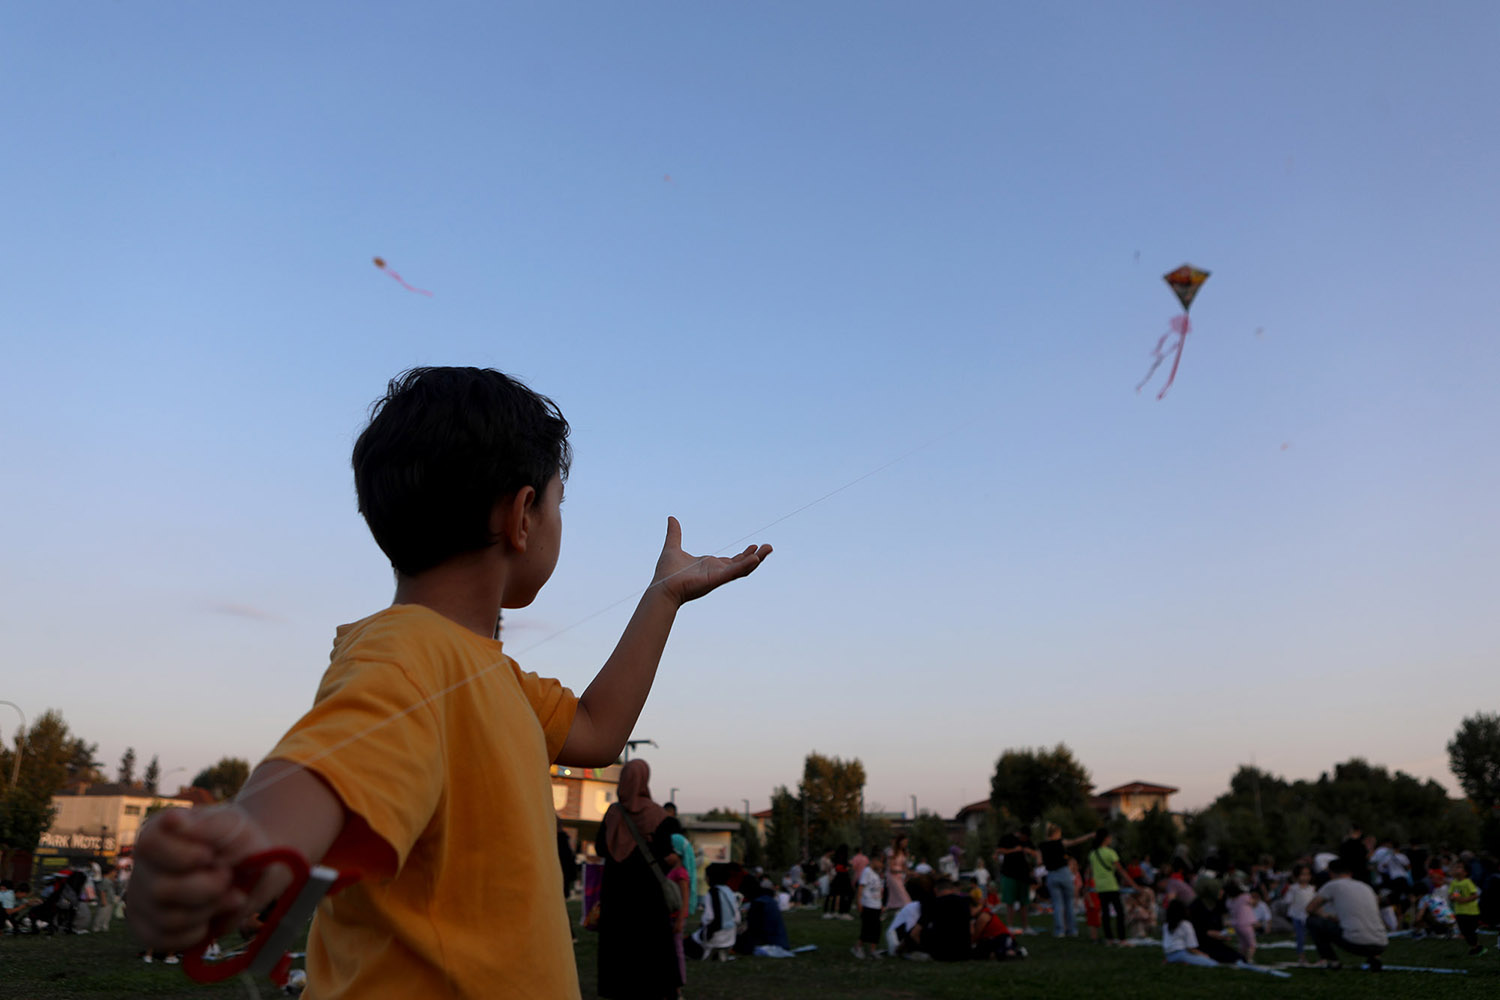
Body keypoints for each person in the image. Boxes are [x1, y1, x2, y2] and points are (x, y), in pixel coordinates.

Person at [125, 367, 771, 1000]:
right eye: (557, 504)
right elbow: (325, 767)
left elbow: (600, 730)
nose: (556, 520)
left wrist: (664, 597)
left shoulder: (491, 675)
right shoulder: (408, 653)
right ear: (522, 515)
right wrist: (245, 847)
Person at [599, 760, 687, 999]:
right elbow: (666, 854)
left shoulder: (613, 814)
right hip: (649, 895)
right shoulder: (659, 816)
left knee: (618, 947)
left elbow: (600, 848)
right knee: (652, 947)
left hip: (616, 894)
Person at [1306, 860, 1387, 970]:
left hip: (1356, 943)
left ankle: (1332, 960)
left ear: (1330, 873)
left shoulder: (1333, 885)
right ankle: (1374, 958)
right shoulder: (1365, 886)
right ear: (1350, 873)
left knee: (1313, 921)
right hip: (1381, 943)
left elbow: (1310, 908)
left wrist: (1327, 916)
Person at [1038, 823, 1090, 937]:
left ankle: (1059, 930)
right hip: (1064, 873)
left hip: (1051, 874)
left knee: (1057, 905)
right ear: (1057, 833)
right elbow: (1075, 841)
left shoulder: (1042, 845)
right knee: (1069, 904)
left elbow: (1039, 861)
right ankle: (1072, 930)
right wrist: (1089, 836)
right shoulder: (1060, 843)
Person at [1087, 829, 1136, 944]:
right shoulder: (1110, 853)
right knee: (1119, 913)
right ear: (1105, 839)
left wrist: (1088, 884)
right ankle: (1122, 939)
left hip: (1099, 887)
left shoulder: (1092, 854)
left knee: (1105, 913)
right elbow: (1121, 871)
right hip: (1111, 886)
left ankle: (1109, 938)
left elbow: (1089, 872)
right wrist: (1134, 885)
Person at [1187, 877, 1243, 964]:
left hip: (1214, 944)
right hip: (1200, 945)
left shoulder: (1216, 905)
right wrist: (1209, 933)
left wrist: (1223, 934)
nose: (1222, 892)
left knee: (1239, 958)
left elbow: (1218, 927)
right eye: (1219, 890)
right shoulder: (1196, 907)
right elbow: (1193, 930)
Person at [996, 829, 1038, 933]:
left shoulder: (1027, 841)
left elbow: (1036, 853)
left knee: (1024, 902)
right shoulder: (1007, 838)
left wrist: (1029, 851)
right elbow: (999, 850)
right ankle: (1009, 925)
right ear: (1021, 834)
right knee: (1010, 902)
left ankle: (1026, 926)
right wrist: (1014, 850)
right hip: (1009, 874)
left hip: (1023, 876)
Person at [1162, 898, 1219, 968]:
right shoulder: (1185, 924)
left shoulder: (1166, 925)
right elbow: (1191, 949)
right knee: (1213, 964)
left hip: (1168, 956)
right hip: (1181, 955)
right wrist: (1204, 955)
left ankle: (1176, 962)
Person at [852, 851, 885, 958]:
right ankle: (857, 947)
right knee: (867, 928)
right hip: (868, 905)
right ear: (874, 861)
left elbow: (879, 890)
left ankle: (872, 950)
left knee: (876, 929)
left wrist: (881, 904)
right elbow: (861, 887)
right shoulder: (867, 871)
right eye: (880, 862)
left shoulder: (876, 874)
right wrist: (859, 902)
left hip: (876, 905)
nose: (882, 865)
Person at [1283, 864, 1316, 964]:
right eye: (1302, 874)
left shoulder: (1312, 888)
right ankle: (1301, 957)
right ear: (1296, 876)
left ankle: (1321, 957)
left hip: (1309, 916)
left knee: (1314, 936)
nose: (1305, 877)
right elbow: (1287, 901)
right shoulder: (1293, 888)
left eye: (1307, 874)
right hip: (1297, 915)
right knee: (1300, 937)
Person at [1448, 861, 1482, 956]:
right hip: (1459, 911)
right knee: (1464, 931)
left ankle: (1476, 948)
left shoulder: (1467, 882)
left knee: (1470, 931)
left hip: (1471, 912)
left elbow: (1475, 895)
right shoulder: (1454, 882)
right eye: (1455, 867)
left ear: (1465, 872)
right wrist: (1452, 897)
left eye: (1459, 867)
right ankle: (1476, 947)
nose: (1456, 869)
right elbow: (1454, 893)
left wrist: (1465, 899)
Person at [1225, 882, 1257, 963]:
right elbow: (1253, 902)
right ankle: (1249, 959)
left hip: (1236, 925)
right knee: (1251, 944)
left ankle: (1240, 959)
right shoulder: (1244, 897)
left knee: (1242, 944)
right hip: (1246, 924)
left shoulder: (1229, 900)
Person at [823, 844, 854, 920]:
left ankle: (830, 912)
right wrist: (848, 867)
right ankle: (843, 912)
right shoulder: (844, 859)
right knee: (846, 895)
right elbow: (845, 867)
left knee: (833, 895)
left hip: (836, 878)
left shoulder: (835, 858)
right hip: (844, 878)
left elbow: (834, 867)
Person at [885, 835, 912, 911]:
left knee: (899, 895)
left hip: (899, 876)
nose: (906, 843)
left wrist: (909, 873)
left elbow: (904, 866)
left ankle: (891, 910)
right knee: (903, 897)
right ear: (900, 842)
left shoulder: (903, 852)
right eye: (905, 842)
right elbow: (891, 869)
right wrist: (903, 871)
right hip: (892, 876)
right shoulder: (892, 852)